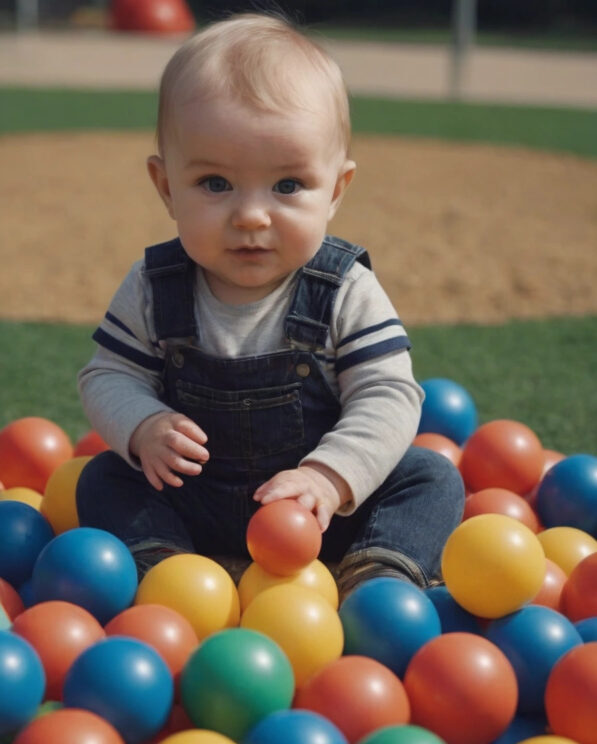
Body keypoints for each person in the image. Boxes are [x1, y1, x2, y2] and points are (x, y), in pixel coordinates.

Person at [76, 12, 464, 597]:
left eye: (287, 186)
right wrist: (143, 425)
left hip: (320, 518)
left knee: (431, 476)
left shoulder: (343, 290)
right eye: (215, 183)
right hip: (194, 505)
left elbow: (388, 393)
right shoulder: (155, 287)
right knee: (105, 476)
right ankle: (166, 573)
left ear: (334, 191)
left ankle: (378, 574)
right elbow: (108, 374)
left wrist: (328, 479)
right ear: (166, 188)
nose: (251, 216)